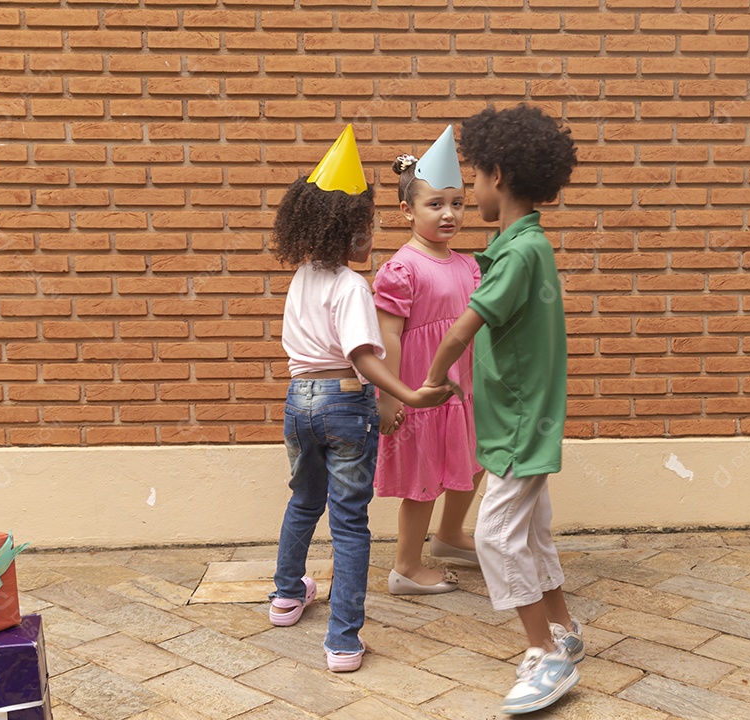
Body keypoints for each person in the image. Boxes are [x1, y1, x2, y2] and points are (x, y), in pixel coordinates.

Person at [269, 125, 454, 674]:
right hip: (345, 402)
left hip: (297, 399)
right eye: (363, 226)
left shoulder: (301, 276)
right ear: (342, 230)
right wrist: (409, 393)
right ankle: (344, 640)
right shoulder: (352, 287)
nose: (369, 235)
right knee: (349, 523)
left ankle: (285, 596)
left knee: (303, 500)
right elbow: (364, 357)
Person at [424, 105, 583, 715]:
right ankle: (563, 630)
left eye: (473, 179)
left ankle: (544, 655)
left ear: (497, 174)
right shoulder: (527, 245)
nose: (471, 191)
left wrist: (431, 382)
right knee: (531, 533)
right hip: (526, 420)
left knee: (494, 535)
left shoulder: (517, 256)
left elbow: (462, 331)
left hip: (520, 426)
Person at [373, 126, 487, 596]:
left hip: (464, 388)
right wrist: (389, 396)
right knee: (422, 479)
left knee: (474, 460)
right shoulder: (401, 268)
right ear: (407, 210)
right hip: (419, 390)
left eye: (457, 203)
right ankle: (405, 565)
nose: (448, 214)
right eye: (434, 204)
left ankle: (451, 536)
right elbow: (387, 336)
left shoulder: (467, 265)